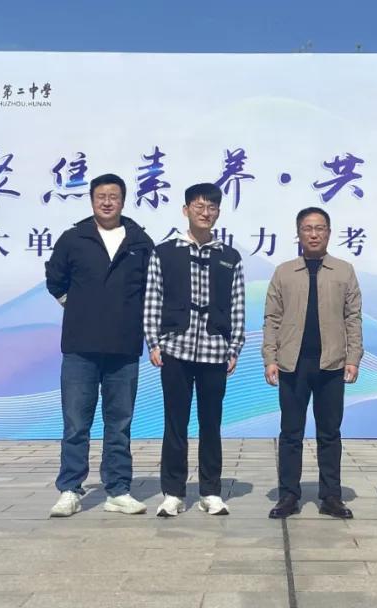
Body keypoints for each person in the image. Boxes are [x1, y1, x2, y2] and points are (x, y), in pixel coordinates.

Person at [44, 173, 153, 517]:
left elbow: (152, 289)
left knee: (119, 424)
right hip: (80, 346)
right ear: (92, 200)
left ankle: (118, 490)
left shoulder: (140, 241)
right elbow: (55, 278)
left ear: (123, 201)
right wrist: (77, 306)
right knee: (76, 423)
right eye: (101, 196)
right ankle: (70, 489)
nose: (107, 202)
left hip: (124, 347)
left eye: (113, 196)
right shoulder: (73, 238)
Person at [144, 183, 246, 517]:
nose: (205, 213)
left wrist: (234, 346)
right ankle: (173, 492)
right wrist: (154, 342)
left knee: (211, 424)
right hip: (176, 347)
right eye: (199, 206)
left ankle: (210, 491)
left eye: (211, 207)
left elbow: (237, 305)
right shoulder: (164, 252)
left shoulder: (229, 257)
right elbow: (153, 297)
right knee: (175, 423)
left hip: (215, 350)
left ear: (218, 213)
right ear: (186, 210)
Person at [263, 207, 363, 519]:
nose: (314, 234)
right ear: (299, 233)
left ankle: (331, 497)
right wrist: (270, 358)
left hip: (331, 363)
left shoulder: (344, 271)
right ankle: (288, 496)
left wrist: (353, 358)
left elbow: (353, 317)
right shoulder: (284, 272)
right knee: (291, 433)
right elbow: (272, 318)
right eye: (308, 228)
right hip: (292, 364)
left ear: (329, 233)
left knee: (329, 433)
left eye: (320, 228)